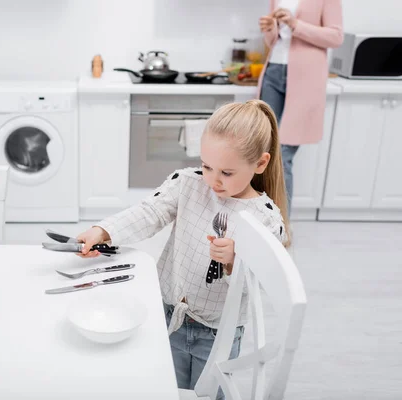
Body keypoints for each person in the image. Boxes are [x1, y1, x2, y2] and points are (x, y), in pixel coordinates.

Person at [76, 100, 290, 393]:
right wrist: (103, 230)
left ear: (260, 163)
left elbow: (261, 285)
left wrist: (233, 261)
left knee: (208, 395)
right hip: (168, 318)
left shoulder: (264, 218)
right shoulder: (189, 184)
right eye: (207, 165)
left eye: (227, 173)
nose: (213, 180)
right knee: (166, 390)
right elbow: (150, 212)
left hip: (218, 335)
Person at [258, 0, 343, 215]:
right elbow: (274, 42)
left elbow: (335, 37)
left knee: (282, 155)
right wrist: (269, 29)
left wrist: (296, 24)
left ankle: (281, 225)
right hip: (273, 71)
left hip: (306, 76)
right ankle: (260, 218)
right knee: (262, 148)